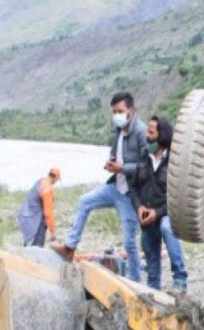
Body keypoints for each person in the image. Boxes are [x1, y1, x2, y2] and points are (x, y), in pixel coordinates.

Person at [52, 92, 147, 281]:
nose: (117, 115)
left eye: (120, 111)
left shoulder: (141, 132)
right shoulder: (119, 130)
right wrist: (111, 164)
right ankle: (70, 248)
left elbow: (147, 167)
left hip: (131, 194)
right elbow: (116, 153)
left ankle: (137, 284)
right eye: (114, 112)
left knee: (129, 243)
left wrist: (122, 168)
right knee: (84, 201)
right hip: (114, 187)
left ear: (131, 111)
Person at [131, 115, 187, 292]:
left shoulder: (174, 162)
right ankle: (153, 293)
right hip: (146, 217)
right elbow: (133, 188)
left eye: (151, 132)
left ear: (161, 135)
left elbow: (179, 195)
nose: (147, 135)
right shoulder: (143, 157)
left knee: (167, 227)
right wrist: (139, 207)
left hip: (166, 214)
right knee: (151, 262)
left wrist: (158, 212)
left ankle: (180, 280)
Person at [17, 168, 60, 247]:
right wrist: (53, 233)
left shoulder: (40, 181)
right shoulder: (48, 189)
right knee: (37, 247)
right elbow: (48, 214)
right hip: (37, 221)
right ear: (56, 178)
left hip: (27, 216)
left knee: (28, 243)